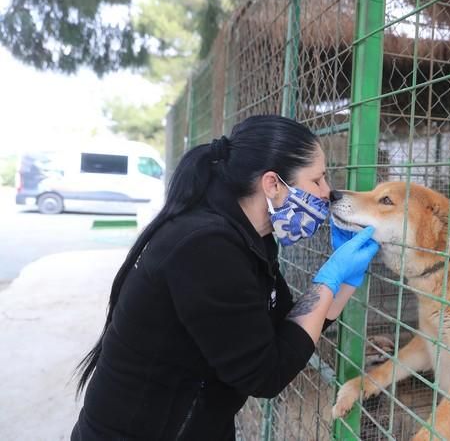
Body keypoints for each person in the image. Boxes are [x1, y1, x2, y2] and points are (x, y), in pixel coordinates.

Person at [70, 115, 380, 440]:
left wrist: (345, 280)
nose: (327, 193)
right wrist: (327, 280)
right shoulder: (205, 247)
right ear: (273, 184)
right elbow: (266, 374)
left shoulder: (253, 238)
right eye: (317, 180)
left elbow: (290, 327)